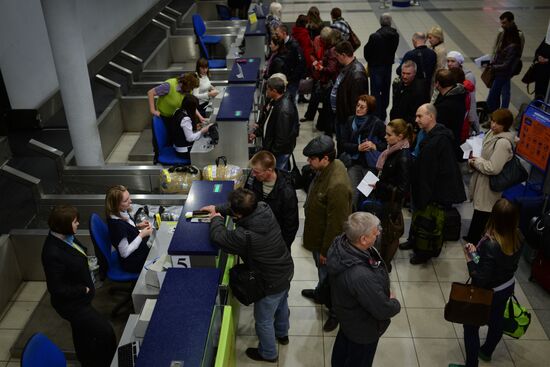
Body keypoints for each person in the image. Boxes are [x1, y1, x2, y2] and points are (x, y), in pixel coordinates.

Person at [203, 188, 294, 363]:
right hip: (286, 269)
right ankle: (283, 334)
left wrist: (215, 219)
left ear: (238, 215)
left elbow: (219, 238)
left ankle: (268, 353)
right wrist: (218, 208)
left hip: (269, 281)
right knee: (282, 303)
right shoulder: (263, 207)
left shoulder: (245, 236)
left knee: (263, 320)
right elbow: (240, 209)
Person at [449, 198, 523, 367]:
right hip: (506, 286)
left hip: (488, 292)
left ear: (494, 217)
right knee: (496, 320)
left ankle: (471, 365)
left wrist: (471, 257)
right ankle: (487, 351)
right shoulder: (518, 236)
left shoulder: (491, 245)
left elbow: (480, 278)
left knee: (471, 327)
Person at [42, 205, 116, 367]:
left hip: (82, 296)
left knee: (81, 332)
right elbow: (57, 289)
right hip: (72, 304)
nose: (78, 224)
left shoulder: (67, 237)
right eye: (75, 222)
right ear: (63, 226)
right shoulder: (52, 253)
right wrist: (83, 289)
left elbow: (77, 255)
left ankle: (86, 360)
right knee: (106, 332)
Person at [327, 212, 401, 367]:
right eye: (375, 231)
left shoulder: (341, 243)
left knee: (342, 352)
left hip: (349, 320)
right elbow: (382, 309)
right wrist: (394, 302)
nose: (379, 233)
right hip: (363, 330)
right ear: (363, 239)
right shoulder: (360, 276)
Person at [300, 135, 353, 332]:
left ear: (325, 158)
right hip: (319, 236)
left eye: (312, 158)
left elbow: (337, 225)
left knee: (332, 279)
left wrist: (325, 251)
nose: (308, 162)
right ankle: (320, 293)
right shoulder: (330, 167)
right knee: (324, 276)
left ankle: (335, 311)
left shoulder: (337, 184)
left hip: (327, 244)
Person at [407, 104, 466, 264]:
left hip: (432, 192)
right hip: (422, 186)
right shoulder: (426, 134)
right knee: (418, 217)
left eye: (420, 116)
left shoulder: (438, 141)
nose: (416, 119)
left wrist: (423, 197)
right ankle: (413, 241)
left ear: (431, 117)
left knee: (428, 223)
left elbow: (431, 173)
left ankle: (423, 253)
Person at [464, 109, 515, 245]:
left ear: (506, 125)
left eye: (498, 123)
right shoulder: (492, 133)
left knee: (483, 213)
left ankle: (476, 243)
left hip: (489, 184)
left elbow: (493, 168)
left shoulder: (503, 143)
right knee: (479, 211)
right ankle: (472, 238)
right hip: (482, 180)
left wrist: (476, 161)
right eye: (492, 121)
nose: (493, 125)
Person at [371, 119, 413, 272]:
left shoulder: (403, 157)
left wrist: (380, 185)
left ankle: (384, 264)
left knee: (390, 233)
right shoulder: (393, 149)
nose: (385, 137)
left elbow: (402, 189)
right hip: (384, 198)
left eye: (389, 135)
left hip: (391, 202)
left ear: (400, 136)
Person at [246, 150, 299, 249]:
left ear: (269, 170)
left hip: (276, 243)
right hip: (256, 237)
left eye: (256, 172)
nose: (253, 174)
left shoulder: (286, 192)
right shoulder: (253, 180)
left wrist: (282, 247)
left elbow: (291, 225)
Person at [341, 95, 387, 209]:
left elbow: (386, 144)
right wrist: (357, 148)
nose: (358, 109)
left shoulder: (377, 123)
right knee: (352, 193)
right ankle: (353, 219)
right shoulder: (350, 120)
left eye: (362, 107)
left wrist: (374, 145)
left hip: (371, 165)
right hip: (354, 162)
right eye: (357, 106)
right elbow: (343, 143)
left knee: (366, 194)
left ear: (369, 109)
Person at [332, 41, 369, 154]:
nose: (336, 59)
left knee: (345, 146)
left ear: (343, 55)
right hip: (341, 116)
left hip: (346, 119)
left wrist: (351, 123)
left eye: (337, 56)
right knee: (340, 143)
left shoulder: (357, 75)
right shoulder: (347, 68)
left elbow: (357, 103)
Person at [105, 185, 153, 273]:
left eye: (129, 197)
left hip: (138, 252)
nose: (130, 201)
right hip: (133, 263)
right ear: (116, 205)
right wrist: (141, 235)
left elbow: (127, 229)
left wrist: (138, 226)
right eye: (126, 200)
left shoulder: (121, 212)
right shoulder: (117, 226)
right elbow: (125, 253)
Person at [255, 76, 299, 170]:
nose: (266, 91)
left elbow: (282, 138)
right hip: (276, 150)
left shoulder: (283, 110)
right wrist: (258, 132)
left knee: (280, 175)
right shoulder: (276, 102)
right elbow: (269, 122)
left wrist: (271, 154)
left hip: (279, 153)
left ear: (274, 91)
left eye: (268, 89)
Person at [303, 27, 341, 131]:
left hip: (327, 80)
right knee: (319, 99)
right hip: (321, 77)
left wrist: (322, 67)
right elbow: (312, 53)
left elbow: (331, 68)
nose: (323, 41)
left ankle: (326, 128)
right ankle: (315, 119)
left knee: (327, 105)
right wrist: (315, 61)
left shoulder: (332, 49)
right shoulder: (317, 40)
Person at [363, 13, 399, 121]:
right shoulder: (395, 35)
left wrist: (370, 61)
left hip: (376, 67)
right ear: (390, 22)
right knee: (385, 89)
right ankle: (383, 112)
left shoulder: (375, 36)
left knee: (375, 91)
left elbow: (367, 52)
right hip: (388, 67)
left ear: (380, 22)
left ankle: (376, 113)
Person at [487, 20, 522, 112]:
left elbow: (508, 63)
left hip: (503, 73)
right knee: (495, 94)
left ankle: (502, 113)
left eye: (504, 23)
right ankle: (498, 114)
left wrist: (494, 67)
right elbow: (496, 49)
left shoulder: (513, 46)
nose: (501, 25)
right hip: (500, 72)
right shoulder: (506, 39)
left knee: (495, 95)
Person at [166, 94, 214, 161]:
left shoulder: (177, 110)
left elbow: (179, 129)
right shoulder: (185, 119)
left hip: (177, 146)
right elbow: (190, 138)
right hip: (184, 152)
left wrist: (196, 127)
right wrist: (203, 130)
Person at [433, 68, 467, 156]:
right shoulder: (458, 94)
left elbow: (436, 126)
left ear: (437, 84)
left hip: (445, 146)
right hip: (453, 140)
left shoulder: (445, 106)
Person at [447, 51, 480, 134]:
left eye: (453, 61)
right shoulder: (447, 73)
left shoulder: (468, 76)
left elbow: (472, 98)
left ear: (459, 62)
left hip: (464, 112)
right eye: (448, 61)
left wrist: (471, 117)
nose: (449, 64)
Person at [390, 60, 430, 129]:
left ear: (414, 73)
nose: (405, 76)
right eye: (403, 73)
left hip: (409, 126)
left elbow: (419, 113)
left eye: (408, 74)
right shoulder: (398, 84)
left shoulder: (420, 90)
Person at [396, 32, 437, 97]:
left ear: (414, 41)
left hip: (412, 90)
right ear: (425, 40)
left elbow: (399, 71)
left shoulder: (410, 54)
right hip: (427, 88)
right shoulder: (433, 54)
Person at [274, 24, 306, 100]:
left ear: (284, 33)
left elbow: (301, 63)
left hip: (292, 80)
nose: (276, 36)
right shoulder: (282, 43)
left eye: (277, 34)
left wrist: (292, 77)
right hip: (286, 77)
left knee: (291, 100)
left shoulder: (294, 45)